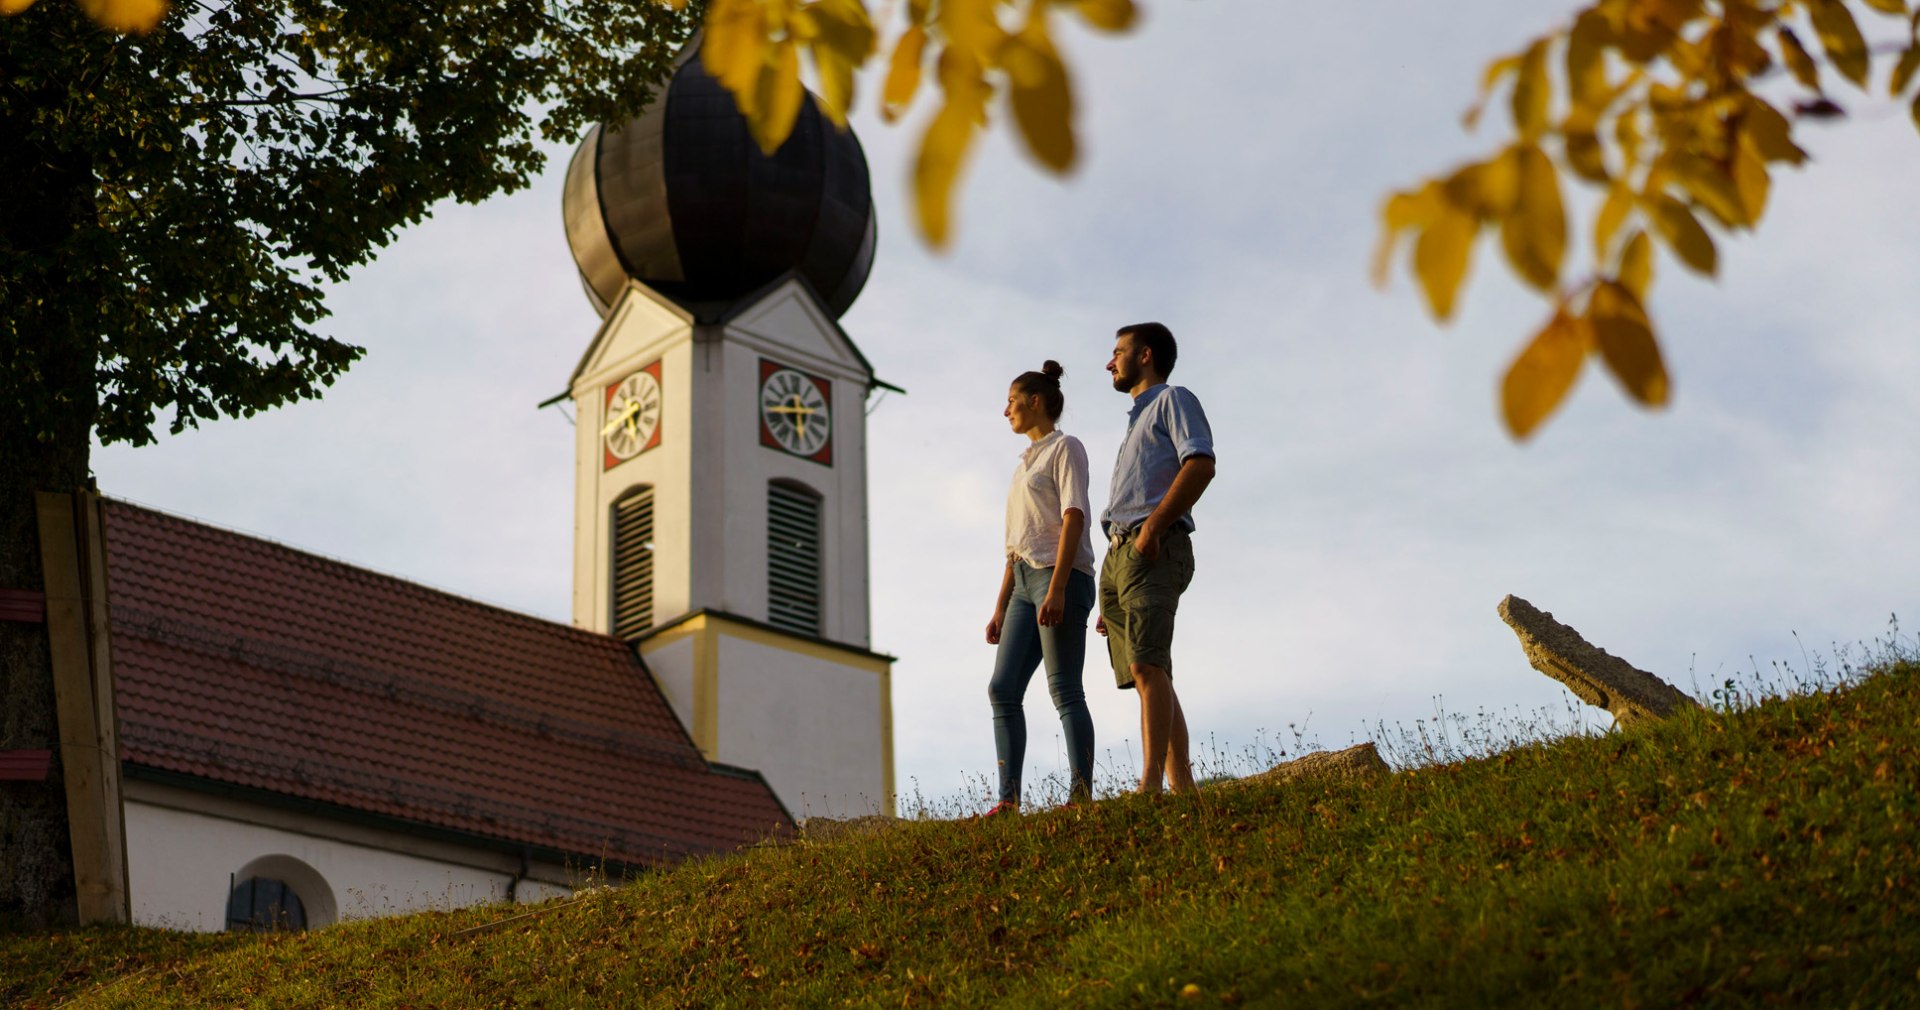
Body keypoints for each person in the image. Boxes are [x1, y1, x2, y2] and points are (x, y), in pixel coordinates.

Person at [1095, 322, 1215, 795]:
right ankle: (1181, 788)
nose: (1110, 362)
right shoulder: (1134, 421)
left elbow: (1201, 464)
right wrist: (1115, 577)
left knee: (1147, 665)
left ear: (1144, 355)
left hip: (1154, 546)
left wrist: (1154, 529)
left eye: (1117, 351)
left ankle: (1149, 784)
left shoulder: (1173, 400)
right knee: (1151, 671)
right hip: (1120, 554)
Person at [984, 360, 1098, 815]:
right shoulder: (1021, 467)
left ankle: (1080, 796)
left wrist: (1059, 588)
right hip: (1022, 584)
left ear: (1035, 401)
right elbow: (1015, 548)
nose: (1006, 410)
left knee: (1064, 688)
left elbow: (1074, 515)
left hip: (1059, 576)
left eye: (1012, 401)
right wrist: (999, 607)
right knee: (1002, 688)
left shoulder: (1064, 448)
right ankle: (1007, 800)